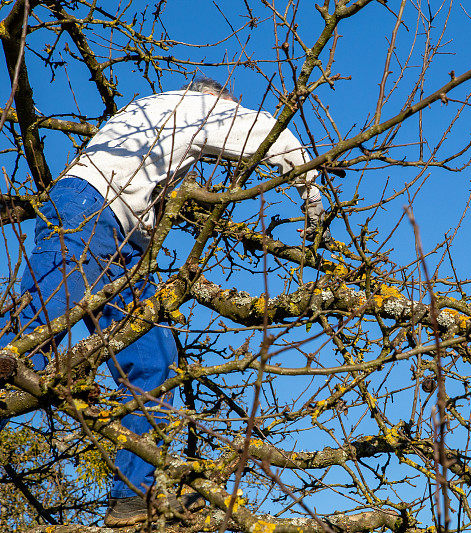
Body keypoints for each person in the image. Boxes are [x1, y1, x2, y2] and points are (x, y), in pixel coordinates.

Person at [0, 77, 327, 526]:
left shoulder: (149, 115)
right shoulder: (191, 107)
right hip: (88, 213)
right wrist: (312, 192)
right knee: (30, 341)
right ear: (213, 99)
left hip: (123, 238)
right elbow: (261, 132)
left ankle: (133, 496)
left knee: (156, 360)